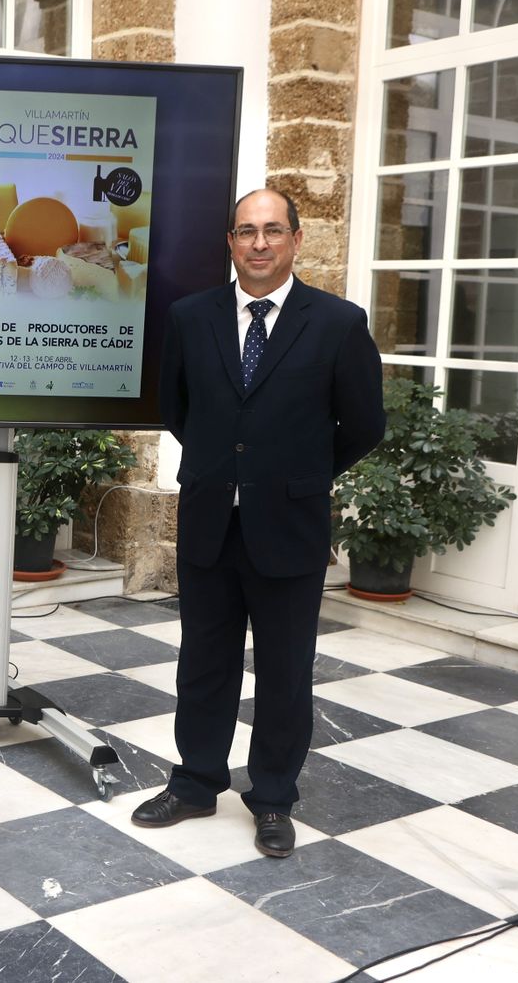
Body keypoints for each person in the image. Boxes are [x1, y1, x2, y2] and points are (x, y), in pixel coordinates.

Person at [131, 188, 384, 858]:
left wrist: (299, 472)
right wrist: (227, 469)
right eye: (247, 231)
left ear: (298, 240)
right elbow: (178, 409)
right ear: (231, 243)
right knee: (203, 665)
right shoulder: (191, 317)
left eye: (274, 230)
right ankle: (193, 784)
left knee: (283, 672)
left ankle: (272, 798)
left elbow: (363, 424)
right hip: (211, 520)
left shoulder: (336, 323)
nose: (261, 243)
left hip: (290, 525)